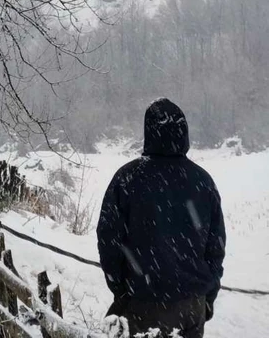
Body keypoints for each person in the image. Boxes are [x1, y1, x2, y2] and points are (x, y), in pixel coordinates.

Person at [97, 98, 226, 338]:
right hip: (191, 305)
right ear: (183, 132)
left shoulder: (128, 178)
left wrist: (122, 292)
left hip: (143, 304)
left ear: (148, 132)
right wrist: (206, 296)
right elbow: (215, 247)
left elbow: (108, 241)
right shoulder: (202, 181)